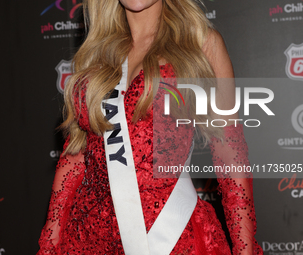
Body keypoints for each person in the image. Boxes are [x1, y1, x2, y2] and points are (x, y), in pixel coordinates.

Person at [37, 0, 263, 254]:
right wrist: (50, 244)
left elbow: (229, 153)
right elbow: (76, 158)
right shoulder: (97, 54)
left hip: (172, 237)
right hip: (89, 239)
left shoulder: (199, 44)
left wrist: (245, 249)